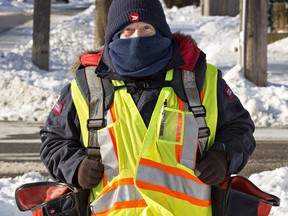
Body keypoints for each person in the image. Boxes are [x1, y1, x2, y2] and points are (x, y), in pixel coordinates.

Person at [40, 0, 256, 215]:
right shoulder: (87, 86)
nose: (137, 38)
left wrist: (224, 156)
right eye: (128, 30)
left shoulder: (202, 79)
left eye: (146, 28)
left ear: (162, 32)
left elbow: (240, 128)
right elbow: (53, 141)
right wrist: (75, 167)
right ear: (113, 37)